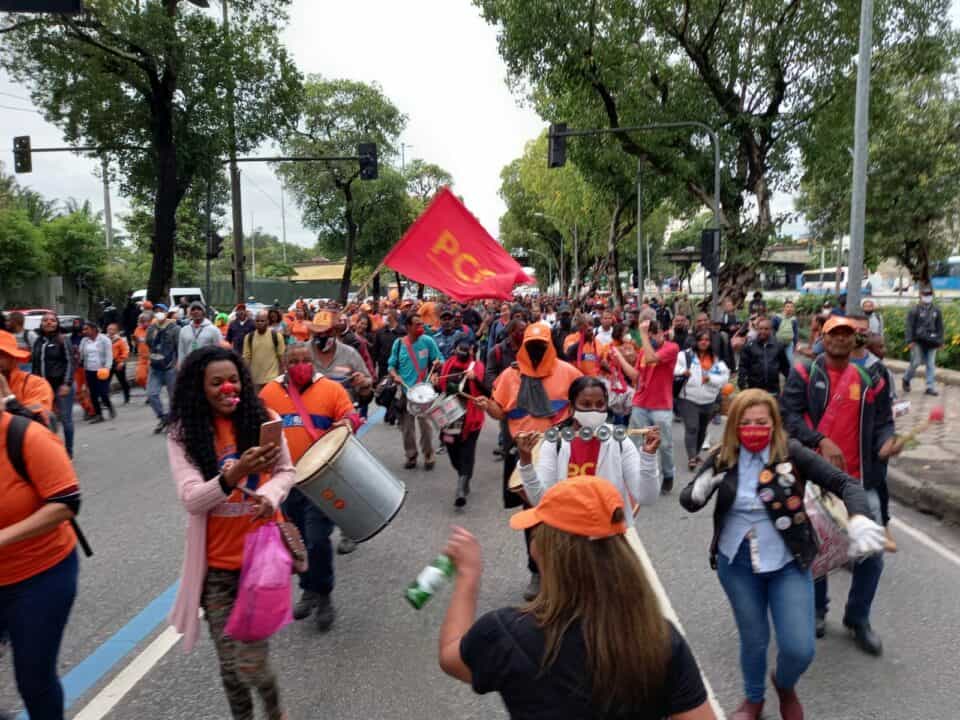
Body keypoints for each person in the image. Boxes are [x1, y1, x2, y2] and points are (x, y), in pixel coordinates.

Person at [680, 389, 886, 720]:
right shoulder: (723, 456)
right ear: (734, 425)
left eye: (761, 422)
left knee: (799, 648)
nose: (753, 429)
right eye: (746, 422)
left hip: (788, 562)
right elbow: (689, 499)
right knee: (754, 639)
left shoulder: (791, 452)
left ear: (774, 424)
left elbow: (846, 484)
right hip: (737, 564)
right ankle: (754, 699)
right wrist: (701, 488)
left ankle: (785, 684)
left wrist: (859, 516)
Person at [438, 479, 714, 720]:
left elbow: (451, 656)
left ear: (546, 551)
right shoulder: (659, 639)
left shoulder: (506, 633)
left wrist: (468, 576)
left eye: (536, 534)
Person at [166, 346, 295, 720]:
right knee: (230, 665)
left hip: (262, 565)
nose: (227, 388)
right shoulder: (183, 434)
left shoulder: (264, 419)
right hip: (217, 571)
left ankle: (274, 710)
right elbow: (192, 500)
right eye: (216, 382)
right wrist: (234, 474)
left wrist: (270, 495)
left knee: (251, 663)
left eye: (234, 380)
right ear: (199, 387)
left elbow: (286, 472)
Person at [780, 315, 902, 655]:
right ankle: (817, 610)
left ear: (855, 340)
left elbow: (884, 422)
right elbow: (788, 416)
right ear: (823, 337)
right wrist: (819, 440)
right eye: (834, 333)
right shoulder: (805, 372)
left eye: (847, 334)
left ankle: (857, 617)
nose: (840, 339)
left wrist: (887, 441)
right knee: (816, 549)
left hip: (858, 483)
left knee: (871, 554)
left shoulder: (871, 378)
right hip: (814, 480)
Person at [260, 342, 363, 631]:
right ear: (284, 364)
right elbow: (257, 428)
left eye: (306, 360)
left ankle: (324, 594)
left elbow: (350, 415)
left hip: (321, 481)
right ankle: (308, 589)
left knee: (317, 540)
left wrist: (347, 423)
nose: (301, 365)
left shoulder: (331, 389)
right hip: (286, 483)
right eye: (294, 361)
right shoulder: (269, 393)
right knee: (297, 542)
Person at [476, 322, 582, 600]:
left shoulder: (568, 372)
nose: (536, 349)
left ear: (550, 345)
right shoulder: (510, 376)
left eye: (541, 345)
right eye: (531, 345)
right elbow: (501, 411)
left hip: (559, 453)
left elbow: (583, 402)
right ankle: (536, 571)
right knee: (532, 514)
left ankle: (565, 572)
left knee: (563, 513)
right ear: (523, 346)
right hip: (523, 453)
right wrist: (489, 407)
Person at [0, 406, 82, 720]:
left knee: (33, 678)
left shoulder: (28, 437)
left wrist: (2, 538)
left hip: (41, 575)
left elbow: (66, 504)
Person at [515, 375, 661, 525]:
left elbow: (647, 497)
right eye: (586, 404)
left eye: (600, 404)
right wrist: (526, 462)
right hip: (568, 532)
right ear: (572, 408)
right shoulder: (554, 443)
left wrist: (648, 457)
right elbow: (541, 500)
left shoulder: (619, 441)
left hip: (610, 533)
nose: (594, 410)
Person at [613, 319, 679, 494]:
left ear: (663, 333)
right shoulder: (643, 351)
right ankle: (634, 476)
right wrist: (620, 358)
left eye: (654, 333)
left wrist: (642, 334)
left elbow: (652, 359)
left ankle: (668, 474)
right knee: (634, 442)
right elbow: (635, 376)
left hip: (661, 406)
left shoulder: (671, 348)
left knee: (664, 445)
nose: (651, 337)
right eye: (649, 334)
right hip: (640, 403)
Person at [436, 337, 490, 507]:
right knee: (452, 449)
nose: (463, 352)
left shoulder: (478, 367)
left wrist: (475, 379)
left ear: (472, 351)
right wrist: (435, 382)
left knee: (467, 450)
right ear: (455, 349)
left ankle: (461, 486)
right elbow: (441, 388)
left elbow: (487, 392)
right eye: (460, 349)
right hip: (450, 415)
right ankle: (463, 475)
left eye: (467, 349)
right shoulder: (449, 364)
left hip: (471, 417)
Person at [388, 314, 443, 470]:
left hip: (424, 392)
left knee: (426, 426)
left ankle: (428, 455)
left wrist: (437, 366)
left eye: (421, 324)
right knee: (407, 428)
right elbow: (391, 365)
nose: (421, 327)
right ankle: (411, 456)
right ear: (408, 327)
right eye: (417, 325)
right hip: (406, 392)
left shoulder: (428, 341)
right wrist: (395, 376)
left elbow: (439, 359)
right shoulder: (399, 344)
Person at [675, 330, 731, 471]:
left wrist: (710, 379)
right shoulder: (685, 355)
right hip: (688, 398)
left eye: (707, 340)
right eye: (701, 339)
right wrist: (682, 371)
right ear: (696, 341)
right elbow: (674, 368)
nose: (704, 342)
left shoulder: (716, 360)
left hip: (708, 400)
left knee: (702, 429)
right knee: (692, 427)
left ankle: (696, 454)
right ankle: (692, 458)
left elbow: (724, 379)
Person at [31, 312, 75, 455]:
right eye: (45, 320)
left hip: (62, 385)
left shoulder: (63, 339)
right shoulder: (38, 341)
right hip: (43, 387)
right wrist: (34, 384)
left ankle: (68, 452)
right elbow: (35, 365)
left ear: (57, 324)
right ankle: (51, 450)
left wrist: (67, 383)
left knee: (66, 419)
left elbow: (70, 362)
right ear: (41, 323)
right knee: (44, 418)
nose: (49, 322)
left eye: (52, 320)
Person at [1, 330, 54, 425]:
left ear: (14, 358)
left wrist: (8, 396)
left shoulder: (36, 384)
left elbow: (36, 421)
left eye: (1, 355)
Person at [902, 286, 943, 396]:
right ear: (920, 295)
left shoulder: (936, 310)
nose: (927, 296)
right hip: (917, 341)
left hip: (932, 341)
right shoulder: (914, 310)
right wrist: (909, 341)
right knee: (916, 362)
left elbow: (940, 327)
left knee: (930, 364)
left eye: (929, 294)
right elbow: (909, 326)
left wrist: (940, 341)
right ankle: (906, 378)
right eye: (925, 294)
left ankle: (930, 387)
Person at [146, 311, 180, 434]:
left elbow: (178, 347)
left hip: (170, 367)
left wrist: (178, 362)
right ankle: (163, 417)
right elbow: (148, 343)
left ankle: (173, 420)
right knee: (151, 394)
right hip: (155, 366)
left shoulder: (175, 329)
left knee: (173, 396)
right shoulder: (151, 328)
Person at [737, 318, 789, 395]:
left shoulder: (778, 346)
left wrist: (791, 381)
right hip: (754, 388)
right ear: (757, 329)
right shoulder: (749, 346)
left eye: (766, 329)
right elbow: (743, 366)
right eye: (760, 329)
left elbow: (785, 366)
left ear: (771, 330)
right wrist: (742, 383)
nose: (763, 331)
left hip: (773, 389)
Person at [79, 321, 115, 423]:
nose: (84, 331)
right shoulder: (84, 341)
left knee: (103, 392)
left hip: (102, 370)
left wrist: (107, 368)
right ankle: (99, 415)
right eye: (83, 329)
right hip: (89, 370)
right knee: (93, 394)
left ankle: (109, 406)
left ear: (94, 329)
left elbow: (109, 355)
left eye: (86, 329)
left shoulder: (104, 339)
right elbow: (81, 354)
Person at [242, 311, 286, 393]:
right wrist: (245, 376)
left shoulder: (276, 336)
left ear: (268, 322)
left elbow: (282, 358)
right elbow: (246, 358)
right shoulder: (249, 337)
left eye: (262, 321)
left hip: (272, 380)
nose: (259, 323)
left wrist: (281, 377)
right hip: (255, 380)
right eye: (257, 321)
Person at [372, 310, 404, 380]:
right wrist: (373, 367)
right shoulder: (380, 332)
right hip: (383, 367)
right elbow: (375, 350)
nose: (385, 317)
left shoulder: (403, 332)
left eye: (387, 314)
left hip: (399, 367)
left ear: (392, 316)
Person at [106, 323, 131, 405]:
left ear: (116, 331)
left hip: (118, 363)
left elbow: (125, 351)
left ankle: (127, 396)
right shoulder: (104, 339)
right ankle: (105, 399)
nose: (110, 331)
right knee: (105, 382)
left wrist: (122, 362)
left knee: (122, 381)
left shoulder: (120, 340)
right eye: (109, 329)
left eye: (112, 329)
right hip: (108, 363)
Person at [133, 312, 153, 390]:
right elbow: (136, 342)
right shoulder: (137, 330)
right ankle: (148, 389)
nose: (144, 323)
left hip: (152, 357)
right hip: (142, 358)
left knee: (151, 376)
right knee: (140, 377)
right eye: (142, 321)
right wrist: (135, 341)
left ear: (150, 321)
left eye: (146, 321)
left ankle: (151, 391)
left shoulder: (153, 329)